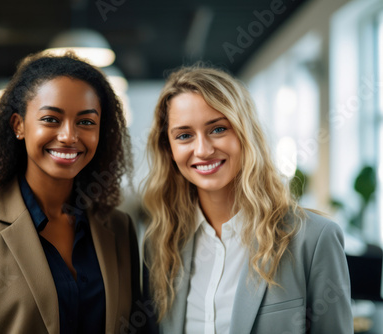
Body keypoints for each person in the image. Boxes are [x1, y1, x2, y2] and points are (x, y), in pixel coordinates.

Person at [0, 52, 141, 334]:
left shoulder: (118, 227)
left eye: (86, 122)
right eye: (51, 119)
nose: (68, 136)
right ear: (19, 125)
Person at [142, 65, 353, 333]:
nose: (203, 150)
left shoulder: (313, 239)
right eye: (184, 136)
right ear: (168, 149)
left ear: (245, 134)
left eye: (218, 129)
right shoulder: (159, 244)